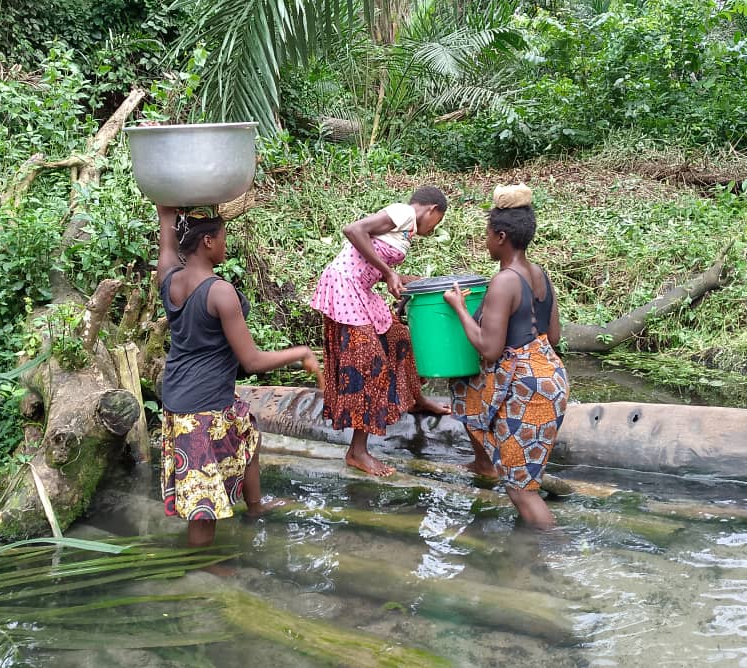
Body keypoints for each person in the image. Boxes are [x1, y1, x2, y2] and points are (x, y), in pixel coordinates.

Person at [155, 204, 322, 548]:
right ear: (207, 242)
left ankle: (255, 507)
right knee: (202, 500)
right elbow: (252, 361)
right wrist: (301, 353)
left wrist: (166, 212)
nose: (225, 245)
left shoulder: (170, 278)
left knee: (248, 436)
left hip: (184, 394)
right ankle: (202, 566)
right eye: (222, 238)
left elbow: (167, 242)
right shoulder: (219, 292)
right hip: (201, 407)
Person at [442, 184, 569, 529]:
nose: (484, 241)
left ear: (501, 236)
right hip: (550, 376)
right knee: (466, 390)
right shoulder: (540, 274)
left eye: (486, 235)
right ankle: (486, 463)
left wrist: (459, 309)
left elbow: (489, 349)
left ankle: (553, 549)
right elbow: (553, 336)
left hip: (527, 389)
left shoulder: (503, 282)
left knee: (521, 491)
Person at [309, 186, 451, 477]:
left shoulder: (406, 229)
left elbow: (372, 264)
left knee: (401, 340)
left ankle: (416, 400)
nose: (434, 228)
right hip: (345, 287)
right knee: (369, 362)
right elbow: (353, 230)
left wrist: (410, 280)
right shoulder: (404, 212)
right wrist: (388, 273)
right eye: (438, 221)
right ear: (433, 210)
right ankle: (357, 452)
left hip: (361, 290)